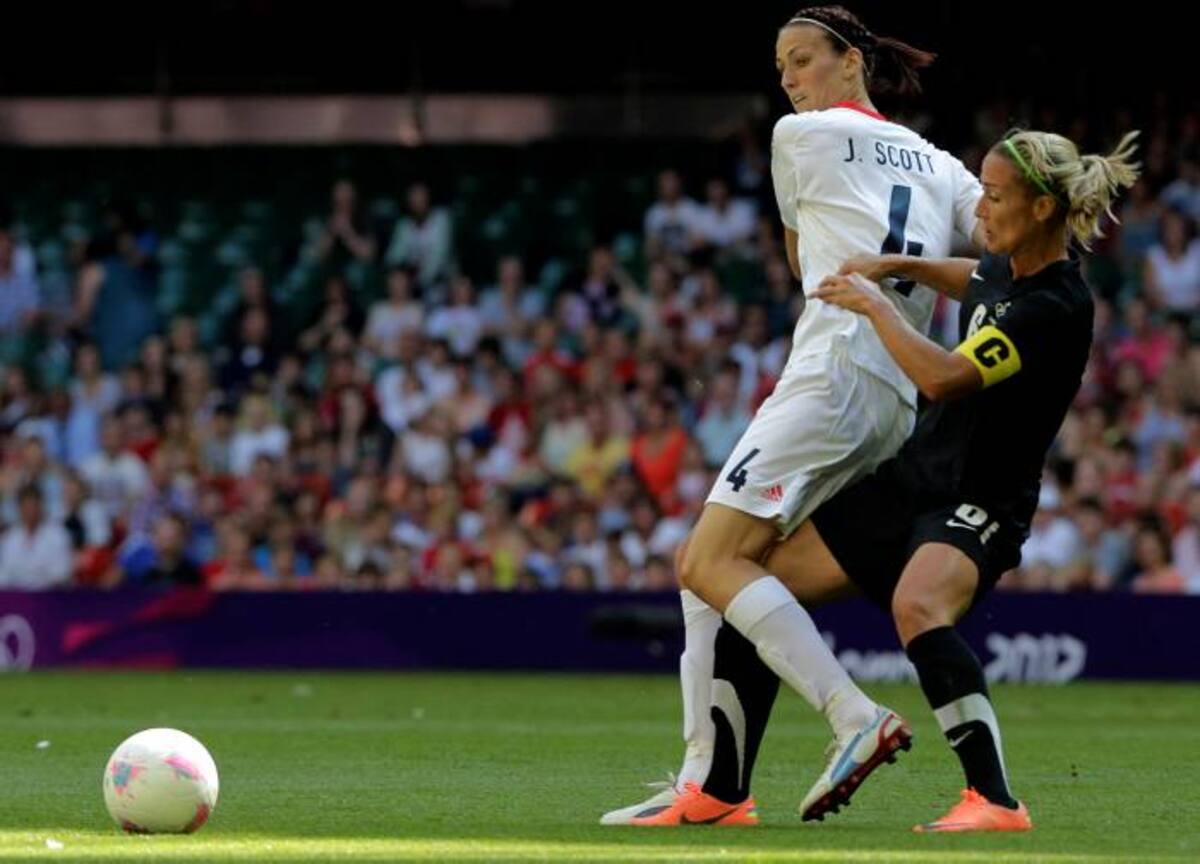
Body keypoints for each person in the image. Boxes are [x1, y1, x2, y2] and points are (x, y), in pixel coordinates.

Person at [676, 128, 1138, 832]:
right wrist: (900, 263)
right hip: (914, 477)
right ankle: (723, 792)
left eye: (995, 196)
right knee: (750, 585)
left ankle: (995, 801)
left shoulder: (1056, 307)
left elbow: (944, 377)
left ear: (1042, 208)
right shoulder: (1007, 267)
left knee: (917, 606)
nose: (980, 208)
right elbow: (971, 277)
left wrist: (877, 302)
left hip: (981, 498)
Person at [601, 4, 983, 825]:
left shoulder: (798, 136)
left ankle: (854, 717)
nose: (789, 79)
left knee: (706, 560)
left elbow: (796, 256)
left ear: (853, 61)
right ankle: (710, 785)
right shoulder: (942, 165)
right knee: (717, 567)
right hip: (896, 392)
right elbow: (997, 251)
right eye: (781, 67)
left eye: (803, 59)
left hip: (834, 367)